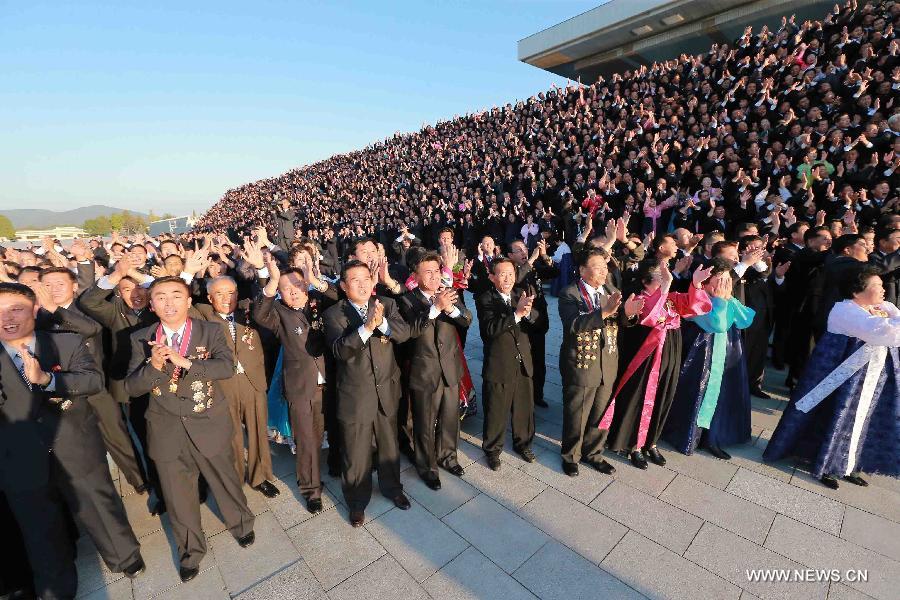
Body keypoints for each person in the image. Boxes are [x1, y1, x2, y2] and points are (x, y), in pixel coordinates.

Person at [124, 277, 255, 583]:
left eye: (175, 296)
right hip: (166, 428)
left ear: (187, 301)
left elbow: (225, 367)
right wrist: (153, 367)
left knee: (225, 480)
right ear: (152, 304)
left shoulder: (209, 330)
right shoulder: (140, 338)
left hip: (208, 420)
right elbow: (130, 387)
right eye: (160, 298)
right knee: (178, 496)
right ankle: (190, 551)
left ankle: (241, 524)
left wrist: (188, 363)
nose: (169, 303)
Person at [0, 282, 104, 599]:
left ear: (34, 310)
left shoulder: (59, 342)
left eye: (15, 308)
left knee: (85, 516)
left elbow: (92, 380)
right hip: (17, 461)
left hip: (69, 447)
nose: (6, 318)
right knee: (39, 535)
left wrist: (47, 380)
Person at [763, 268, 899, 489]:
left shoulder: (874, 309)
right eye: (878, 286)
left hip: (868, 378)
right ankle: (826, 464)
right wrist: (894, 314)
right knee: (834, 417)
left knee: (861, 421)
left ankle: (847, 465)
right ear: (857, 291)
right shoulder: (846, 310)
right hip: (842, 378)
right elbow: (883, 333)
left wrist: (890, 312)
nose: (884, 290)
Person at [323, 260, 411, 527]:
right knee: (356, 451)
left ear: (373, 281)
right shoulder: (333, 314)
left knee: (389, 445)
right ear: (343, 286)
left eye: (366, 279)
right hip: (355, 394)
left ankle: (393, 488)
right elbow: (340, 351)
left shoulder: (387, 304)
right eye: (354, 280)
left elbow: (404, 333)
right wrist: (366, 328)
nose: (362, 285)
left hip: (386, 389)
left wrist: (382, 323)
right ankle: (357, 502)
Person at [251, 244, 337, 514]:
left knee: (331, 430)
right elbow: (258, 314)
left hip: (331, 382)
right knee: (306, 439)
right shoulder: (278, 313)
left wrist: (315, 281)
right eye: (287, 289)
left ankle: (336, 467)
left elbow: (337, 298)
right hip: (301, 387)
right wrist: (272, 280)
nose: (294, 292)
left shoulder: (318, 302)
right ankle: (311, 489)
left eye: (299, 286)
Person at [601, 260, 712, 469]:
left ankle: (651, 441)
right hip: (646, 359)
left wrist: (696, 284)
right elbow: (651, 316)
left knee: (663, 397)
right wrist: (666, 287)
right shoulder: (639, 299)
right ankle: (634, 445)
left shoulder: (670, 299)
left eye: (666, 278)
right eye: (661, 278)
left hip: (670, 355)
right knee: (640, 398)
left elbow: (695, 307)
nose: (665, 282)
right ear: (645, 281)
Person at [557, 246, 643, 476]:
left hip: (608, 362)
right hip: (582, 363)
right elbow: (573, 325)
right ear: (582, 270)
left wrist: (629, 313)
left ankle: (593, 453)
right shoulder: (570, 293)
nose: (604, 272)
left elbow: (620, 320)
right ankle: (571, 456)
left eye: (605, 267)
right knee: (578, 413)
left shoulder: (610, 287)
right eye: (597, 268)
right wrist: (604, 312)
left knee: (601, 412)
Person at [195, 275, 280, 498]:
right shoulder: (203, 316)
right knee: (231, 435)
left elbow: (265, 299)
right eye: (220, 293)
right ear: (209, 297)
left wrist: (263, 271)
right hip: (224, 385)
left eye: (231, 292)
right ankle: (235, 477)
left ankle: (259, 476)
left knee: (258, 432)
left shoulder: (248, 311)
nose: (227, 298)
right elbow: (184, 302)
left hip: (253, 382)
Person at [663, 259, 756, 459]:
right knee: (696, 395)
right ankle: (688, 437)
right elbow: (717, 324)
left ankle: (712, 438)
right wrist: (721, 302)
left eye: (726, 281)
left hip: (725, 355)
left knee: (721, 398)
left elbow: (745, 319)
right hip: (700, 357)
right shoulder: (697, 298)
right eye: (718, 281)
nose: (723, 285)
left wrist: (728, 298)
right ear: (704, 282)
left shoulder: (726, 298)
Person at [398, 251, 472, 489]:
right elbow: (411, 331)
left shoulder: (449, 293)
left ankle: (448, 457)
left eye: (437, 271)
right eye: (427, 272)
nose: (433, 276)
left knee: (451, 418)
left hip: (450, 369)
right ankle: (426, 466)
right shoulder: (407, 300)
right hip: (424, 372)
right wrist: (435, 308)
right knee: (424, 422)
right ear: (416, 275)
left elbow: (467, 319)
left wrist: (450, 308)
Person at [475, 257, 539, 470]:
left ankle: (524, 443)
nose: (508, 278)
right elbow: (490, 330)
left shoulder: (519, 295)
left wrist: (528, 314)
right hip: (499, 363)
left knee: (524, 408)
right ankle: (492, 449)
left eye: (511, 273)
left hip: (523, 362)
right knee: (496, 410)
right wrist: (517, 314)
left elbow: (540, 323)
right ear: (492, 277)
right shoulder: (485, 298)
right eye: (502, 274)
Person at [509, 238, 559, 408]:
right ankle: (521, 396)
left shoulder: (533, 266)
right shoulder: (511, 271)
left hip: (538, 321)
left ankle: (538, 395)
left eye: (525, 249)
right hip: (522, 324)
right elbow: (517, 279)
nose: (524, 252)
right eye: (519, 251)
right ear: (510, 255)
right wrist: (531, 260)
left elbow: (554, 273)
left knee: (539, 361)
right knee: (522, 362)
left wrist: (544, 256)